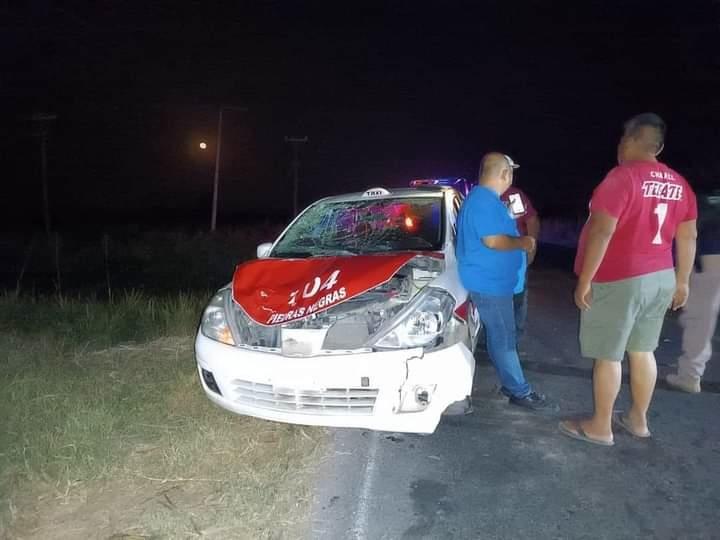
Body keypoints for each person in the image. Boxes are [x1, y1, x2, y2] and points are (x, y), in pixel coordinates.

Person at [559, 113, 697, 446]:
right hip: (661, 276)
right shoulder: (680, 183)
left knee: (609, 354)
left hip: (621, 277)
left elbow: (602, 230)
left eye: (622, 139)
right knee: (643, 350)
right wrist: (682, 281)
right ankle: (638, 420)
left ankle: (601, 427)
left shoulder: (622, 178)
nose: (619, 145)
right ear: (659, 146)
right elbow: (688, 236)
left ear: (632, 141)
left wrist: (585, 279)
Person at [456, 152, 553, 411]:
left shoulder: (487, 200)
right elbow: (494, 241)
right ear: (504, 174)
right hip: (489, 285)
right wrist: (525, 242)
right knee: (504, 338)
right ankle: (518, 390)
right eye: (510, 172)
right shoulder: (483, 201)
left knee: (504, 336)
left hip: (496, 283)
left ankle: (513, 385)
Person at [666, 189, 720, 393]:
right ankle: (691, 372)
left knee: (700, 315)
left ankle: (690, 375)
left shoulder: (705, 193)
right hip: (710, 249)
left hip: (711, 251)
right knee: (702, 314)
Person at [500, 185, 540, 340]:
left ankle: (514, 338)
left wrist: (531, 248)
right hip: (491, 257)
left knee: (518, 298)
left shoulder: (512, 196)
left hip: (513, 255)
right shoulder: (483, 196)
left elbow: (531, 221)